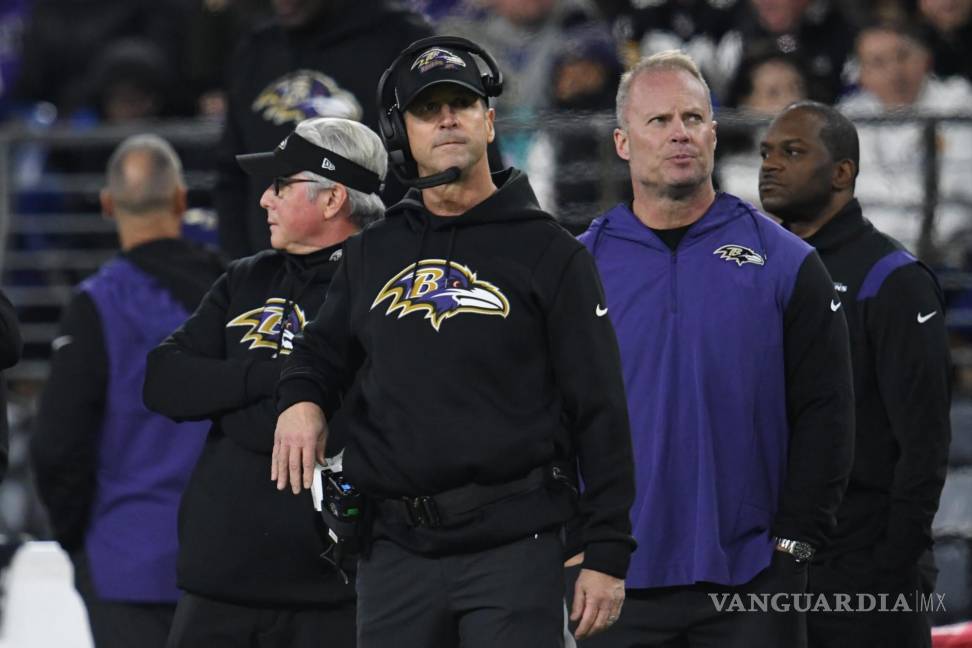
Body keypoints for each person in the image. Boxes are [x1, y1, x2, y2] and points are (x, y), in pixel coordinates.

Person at [272, 36, 636, 647]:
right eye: (426, 108)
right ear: (402, 134)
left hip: (515, 549)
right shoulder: (371, 251)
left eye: (461, 104)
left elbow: (600, 410)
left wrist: (605, 549)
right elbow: (319, 352)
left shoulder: (551, 253)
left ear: (488, 122)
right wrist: (301, 401)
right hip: (393, 552)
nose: (446, 118)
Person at [575, 50, 854, 647]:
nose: (680, 133)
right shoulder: (576, 269)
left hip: (752, 582)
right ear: (622, 142)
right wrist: (575, 547)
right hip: (612, 583)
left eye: (694, 118)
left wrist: (795, 544)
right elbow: (547, 416)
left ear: (714, 134)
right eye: (659, 120)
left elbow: (827, 413)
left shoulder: (787, 262)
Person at [143, 116, 385, 648]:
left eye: (281, 185)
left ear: (333, 199)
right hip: (219, 584)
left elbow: (356, 413)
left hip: (333, 592)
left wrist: (227, 398)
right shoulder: (246, 277)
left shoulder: (383, 289)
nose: (263, 200)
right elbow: (163, 379)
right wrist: (283, 381)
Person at [759, 100, 951, 648]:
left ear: (842, 173)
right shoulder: (759, 270)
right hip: (772, 566)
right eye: (767, 152)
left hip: (866, 575)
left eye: (793, 152)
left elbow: (924, 445)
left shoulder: (892, 280)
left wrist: (890, 568)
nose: (771, 164)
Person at [30, 134, 225, 648]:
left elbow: (56, 445)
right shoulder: (237, 295)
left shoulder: (96, 306)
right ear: (181, 199)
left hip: (127, 560)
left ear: (107, 204)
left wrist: (76, 539)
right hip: (230, 564)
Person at [215, 0, 431, 259]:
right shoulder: (256, 50)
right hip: (276, 271)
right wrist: (241, 264)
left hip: (383, 265)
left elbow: (434, 164)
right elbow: (231, 174)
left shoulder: (402, 40)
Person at [837, 21, 972, 260]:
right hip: (877, 257)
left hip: (953, 254)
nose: (895, 72)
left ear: (925, 59)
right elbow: (858, 197)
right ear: (862, 76)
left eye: (903, 56)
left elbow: (962, 186)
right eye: (878, 63)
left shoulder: (959, 101)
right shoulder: (848, 117)